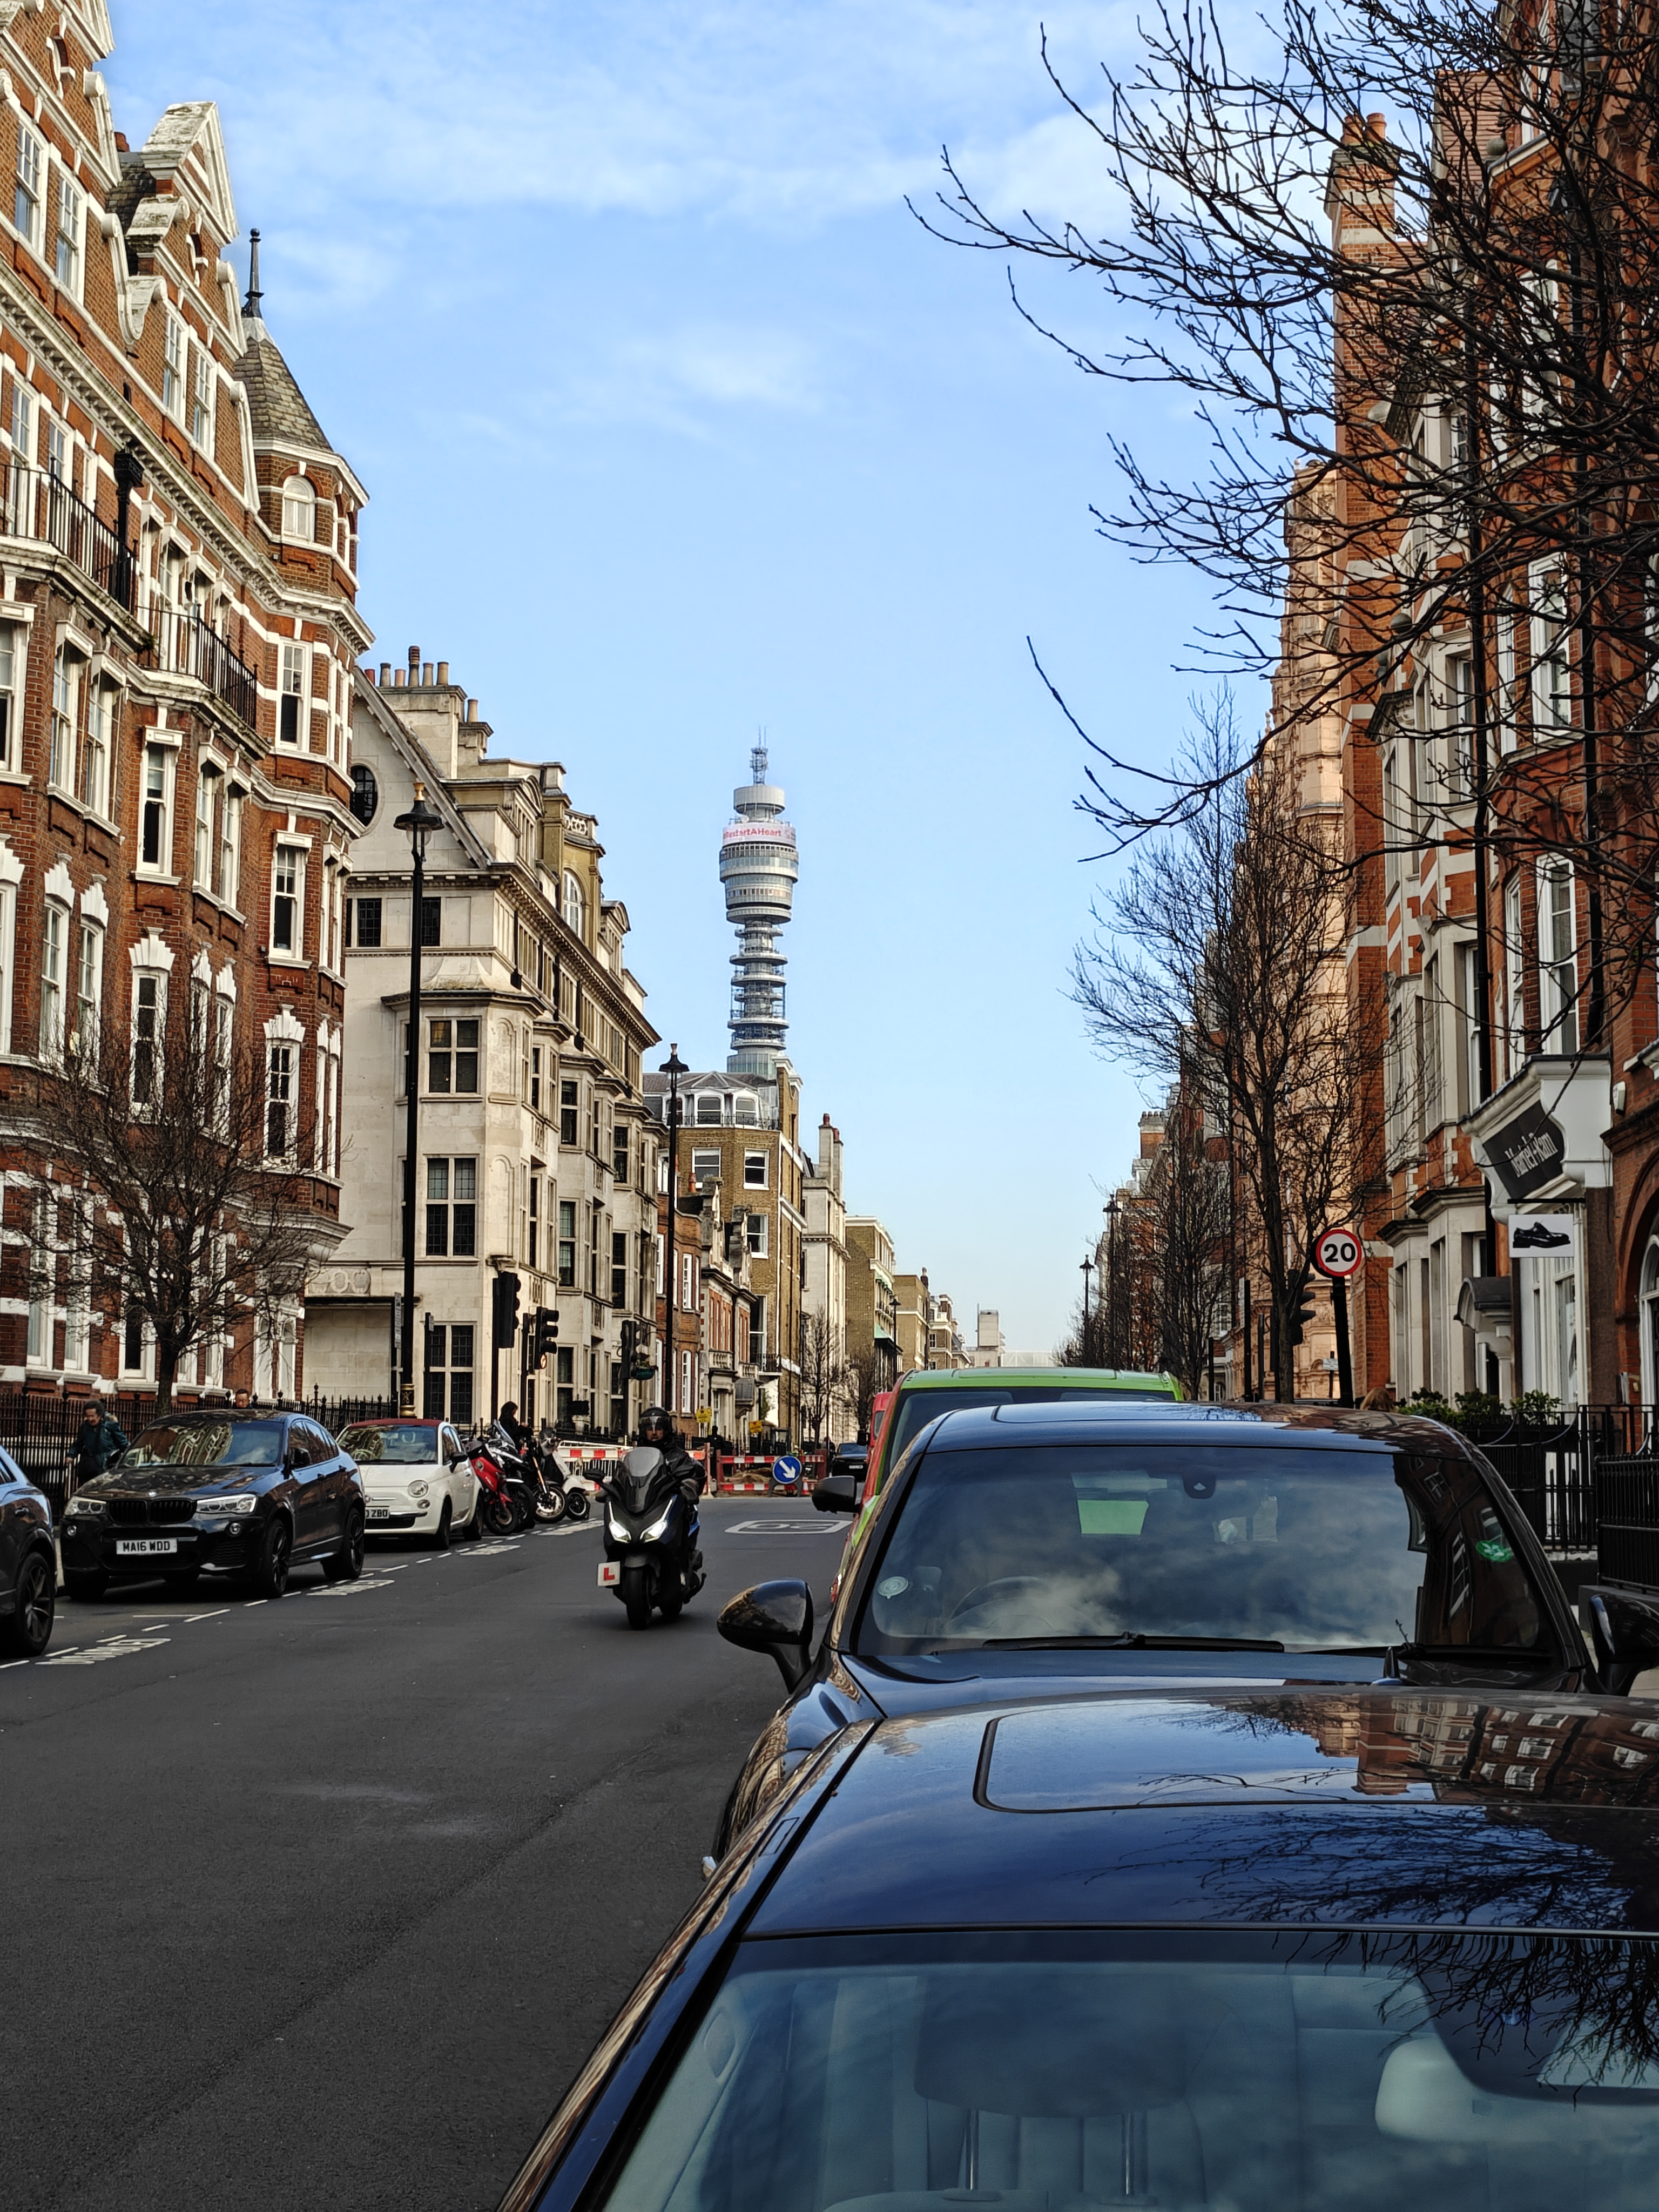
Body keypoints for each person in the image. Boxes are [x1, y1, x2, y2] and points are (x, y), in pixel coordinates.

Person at [70, 1401, 128, 1484]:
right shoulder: (85, 1427)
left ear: (100, 1415)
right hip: (89, 1467)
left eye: (92, 1416)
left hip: (106, 1466)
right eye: (88, 1416)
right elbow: (78, 1444)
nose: (90, 1419)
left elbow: (123, 1443)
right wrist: (71, 1455)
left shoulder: (110, 1425)